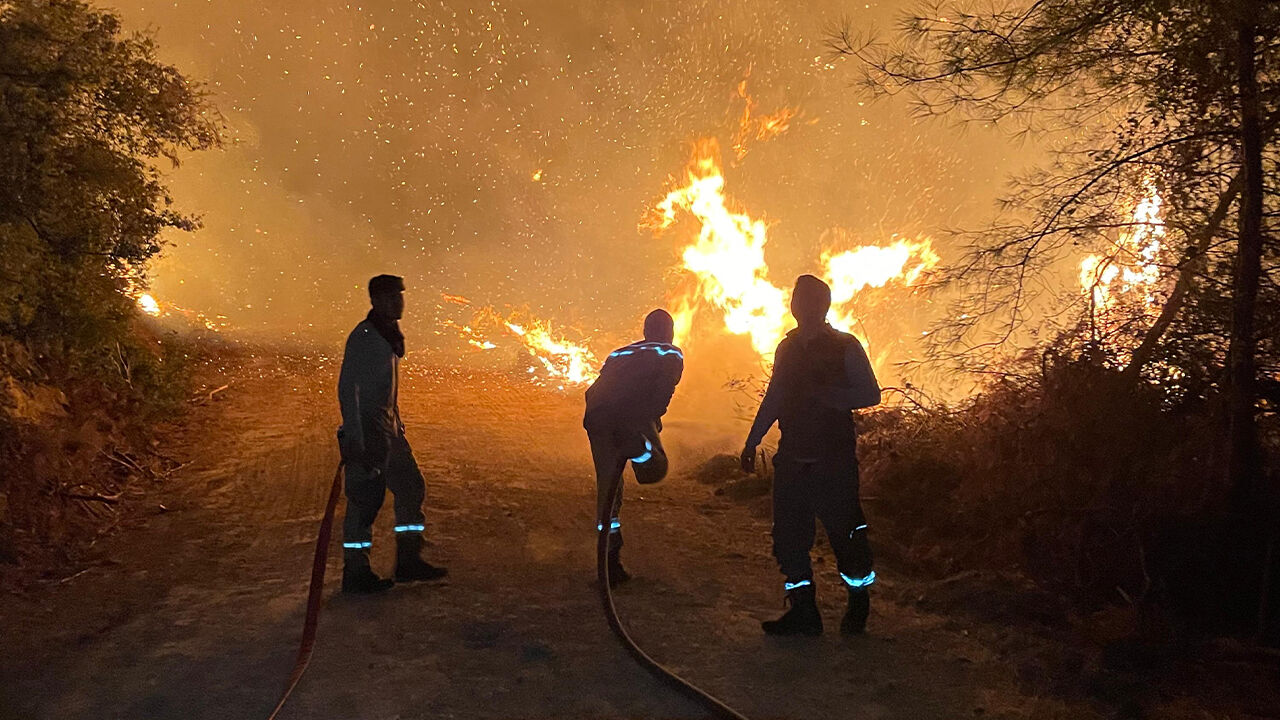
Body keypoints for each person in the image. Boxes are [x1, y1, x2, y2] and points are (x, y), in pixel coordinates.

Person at [740, 274, 881, 635]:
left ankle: (858, 603)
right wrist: (753, 440)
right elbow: (774, 396)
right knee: (789, 538)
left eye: (808, 299)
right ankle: (804, 612)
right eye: (796, 298)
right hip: (793, 458)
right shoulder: (786, 349)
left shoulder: (845, 346)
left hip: (833, 460)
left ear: (824, 305)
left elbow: (870, 393)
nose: (800, 305)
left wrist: (830, 396)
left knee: (846, 534)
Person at [337, 274, 447, 593]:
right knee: (364, 503)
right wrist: (357, 439)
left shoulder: (387, 336)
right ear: (375, 300)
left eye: (400, 295)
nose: (399, 302)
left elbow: (384, 391)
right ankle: (355, 573)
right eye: (391, 296)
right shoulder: (365, 337)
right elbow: (348, 390)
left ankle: (408, 560)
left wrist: (396, 427)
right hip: (369, 432)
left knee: (411, 487)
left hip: (389, 431)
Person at [584, 309, 684, 585]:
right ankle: (639, 449)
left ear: (644, 331)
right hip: (630, 416)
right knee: (655, 468)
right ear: (670, 331)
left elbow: (593, 390)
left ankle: (610, 562)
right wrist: (650, 422)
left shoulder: (618, 354)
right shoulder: (670, 353)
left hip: (597, 417)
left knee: (608, 493)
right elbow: (664, 391)